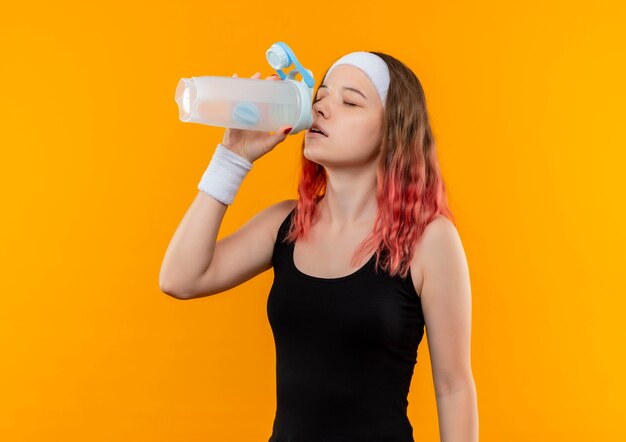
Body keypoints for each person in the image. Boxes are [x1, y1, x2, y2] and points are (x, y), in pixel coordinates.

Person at [160, 51, 478, 442]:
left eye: (350, 101)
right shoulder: (285, 224)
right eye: (322, 96)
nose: (324, 107)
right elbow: (180, 278)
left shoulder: (429, 239)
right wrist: (232, 159)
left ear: (393, 130)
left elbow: (454, 388)